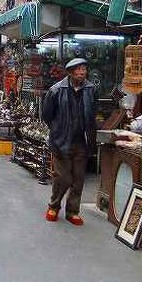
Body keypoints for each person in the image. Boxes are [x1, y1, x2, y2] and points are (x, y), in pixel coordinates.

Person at [41, 57, 97, 226]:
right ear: (70, 72)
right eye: (78, 70)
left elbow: (93, 113)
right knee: (63, 177)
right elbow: (47, 115)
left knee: (78, 178)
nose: (82, 72)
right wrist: (58, 131)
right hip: (61, 140)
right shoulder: (56, 90)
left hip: (82, 141)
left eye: (84, 69)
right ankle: (54, 206)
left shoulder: (91, 90)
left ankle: (72, 211)